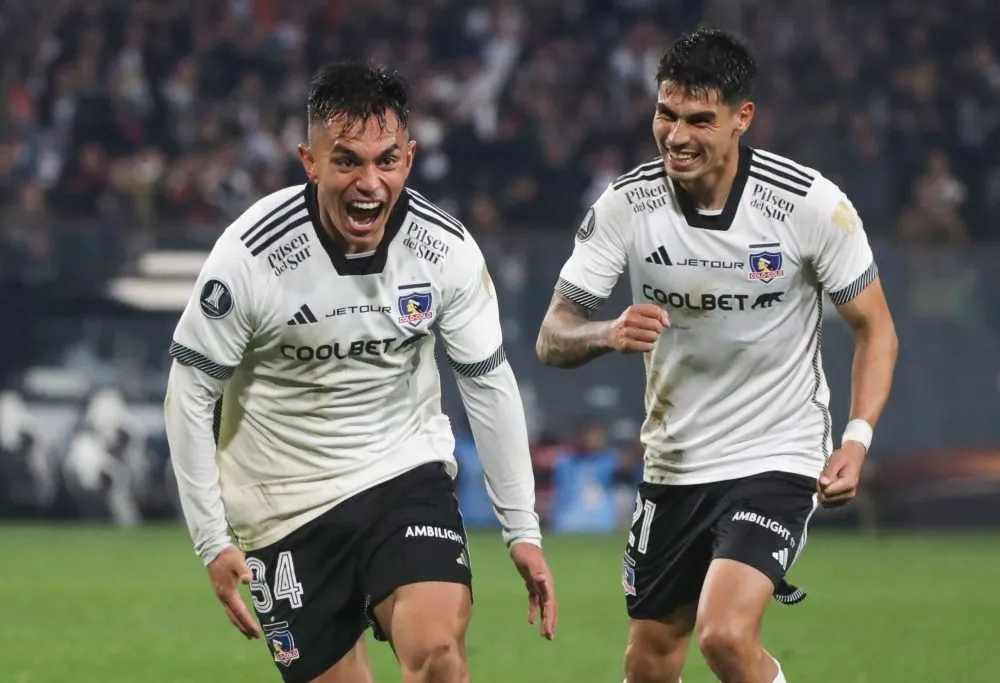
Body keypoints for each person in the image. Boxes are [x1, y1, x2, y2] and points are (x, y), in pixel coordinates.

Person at [164, 60, 558, 683]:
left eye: (387, 160)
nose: (369, 182)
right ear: (309, 160)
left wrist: (521, 528)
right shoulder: (251, 256)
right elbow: (190, 393)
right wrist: (212, 539)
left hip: (402, 475)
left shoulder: (444, 250)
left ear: (410, 157)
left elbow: (486, 384)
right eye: (347, 160)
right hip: (281, 505)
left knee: (438, 656)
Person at [535, 28, 898, 683]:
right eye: (666, 115)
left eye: (700, 120)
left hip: (776, 453)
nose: (677, 136)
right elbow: (553, 333)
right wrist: (606, 332)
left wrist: (857, 438)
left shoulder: (807, 205)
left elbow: (876, 328)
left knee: (726, 636)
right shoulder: (627, 206)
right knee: (648, 659)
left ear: (742, 119)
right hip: (674, 461)